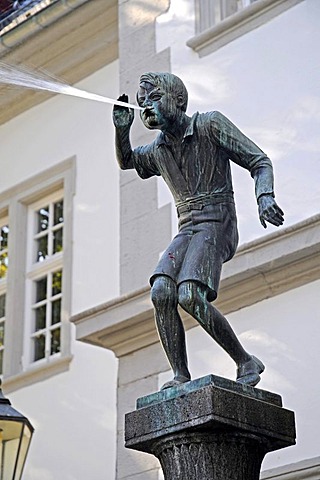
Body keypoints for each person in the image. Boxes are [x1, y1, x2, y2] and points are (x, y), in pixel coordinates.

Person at [113, 72, 284, 390]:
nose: (146, 107)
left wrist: (265, 197)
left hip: (218, 223)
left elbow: (259, 161)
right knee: (161, 291)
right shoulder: (158, 150)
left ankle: (245, 360)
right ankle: (180, 375)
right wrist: (121, 131)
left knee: (189, 294)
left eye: (153, 99)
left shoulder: (209, 124)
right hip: (187, 227)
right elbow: (126, 162)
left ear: (177, 100)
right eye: (141, 104)